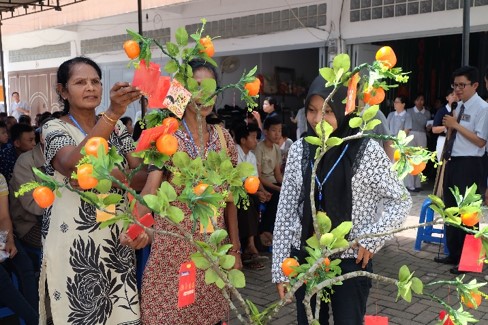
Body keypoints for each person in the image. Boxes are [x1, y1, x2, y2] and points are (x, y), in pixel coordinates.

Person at [272, 76, 412, 324]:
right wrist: (279, 269)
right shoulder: (300, 150)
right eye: (312, 111)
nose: (318, 120)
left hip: (351, 261)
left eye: (327, 111)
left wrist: (372, 238)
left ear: (343, 109)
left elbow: (400, 200)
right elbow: (286, 211)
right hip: (307, 260)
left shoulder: (364, 150)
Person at [39, 56, 148, 324]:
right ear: (62, 91)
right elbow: (70, 163)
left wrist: (103, 177)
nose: (90, 87)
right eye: (80, 82)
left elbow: (142, 176)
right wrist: (112, 113)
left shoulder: (118, 128)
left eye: (95, 81)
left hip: (116, 240)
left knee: (122, 314)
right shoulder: (54, 128)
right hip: (75, 245)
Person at [137, 59, 242, 324]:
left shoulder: (223, 138)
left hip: (212, 251)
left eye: (211, 87)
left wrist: (236, 250)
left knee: (211, 316)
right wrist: (134, 225)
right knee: (167, 316)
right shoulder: (165, 136)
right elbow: (150, 188)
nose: (205, 94)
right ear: (180, 92)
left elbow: (230, 199)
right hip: (172, 250)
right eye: (197, 87)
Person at [435, 66, 488, 274]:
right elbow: (453, 133)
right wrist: (451, 127)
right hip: (453, 161)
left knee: (468, 213)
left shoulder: (482, 108)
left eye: (462, 85)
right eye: (455, 85)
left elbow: (481, 141)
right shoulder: (459, 106)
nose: (458, 89)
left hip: (471, 164)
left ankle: (471, 262)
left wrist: (456, 125)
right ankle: (455, 254)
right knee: (451, 209)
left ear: (474, 85)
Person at [0, 173, 39, 325]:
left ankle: (36, 318)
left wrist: (9, 240)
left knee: (26, 266)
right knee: (2, 279)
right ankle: (35, 321)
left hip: (1, 235)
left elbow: (3, 217)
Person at [234, 123, 271, 269]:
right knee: (247, 200)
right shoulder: (235, 153)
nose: (256, 141)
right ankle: (250, 245)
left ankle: (253, 243)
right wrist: (256, 192)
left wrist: (262, 192)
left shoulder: (251, 156)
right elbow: (236, 181)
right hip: (236, 191)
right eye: (254, 137)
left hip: (250, 191)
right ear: (243, 140)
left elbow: (255, 179)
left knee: (257, 199)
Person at [254, 115, 283, 247]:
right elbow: (259, 176)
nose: (277, 134)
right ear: (265, 131)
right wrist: (278, 188)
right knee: (276, 195)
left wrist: (286, 185)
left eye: (279, 131)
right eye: (274, 130)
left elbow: (277, 174)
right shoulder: (259, 148)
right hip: (263, 183)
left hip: (274, 182)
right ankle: (264, 230)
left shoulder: (277, 149)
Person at [405, 94, 431, 192]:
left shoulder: (427, 113)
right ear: (414, 101)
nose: (420, 102)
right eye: (418, 100)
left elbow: (427, 126)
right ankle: (410, 184)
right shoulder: (409, 111)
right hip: (411, 134)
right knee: (411, 159)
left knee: (420, 159)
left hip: (422, 134)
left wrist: (428, 128)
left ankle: (418, 183)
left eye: (422, 100)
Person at [432, 89, 458, 162]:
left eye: (456, 95)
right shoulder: (442, 111)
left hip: (457, 141)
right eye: (452, 95)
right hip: (443, 140)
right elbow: (434, 129)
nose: (455, 97)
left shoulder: (461, 110)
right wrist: (447, 127)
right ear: (447, 98)